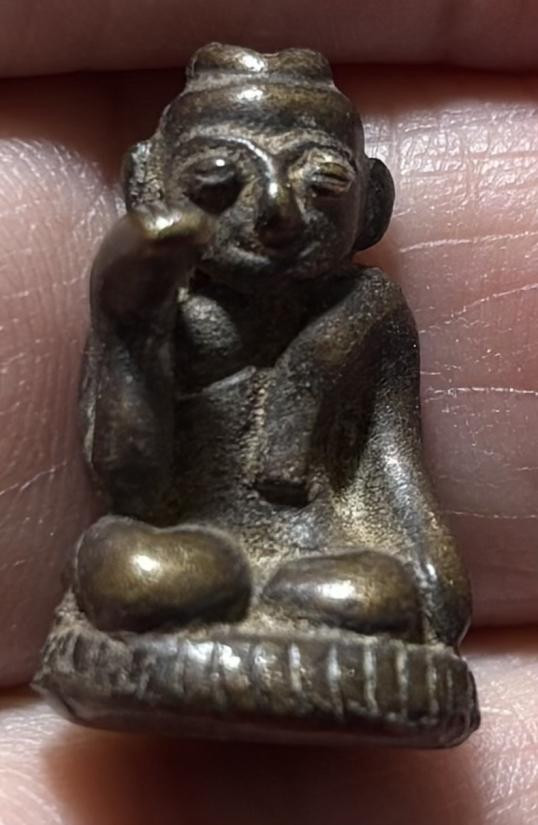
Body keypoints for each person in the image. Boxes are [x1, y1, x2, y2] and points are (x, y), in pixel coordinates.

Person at [0, 3, 537, 822]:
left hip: (321, 553)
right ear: (148, 183)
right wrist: (127, 327)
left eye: (323, 184)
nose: (278, 210)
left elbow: (392, 462)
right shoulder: (164, 305)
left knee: (374, 594)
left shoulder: (370, 313)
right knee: (131, 570)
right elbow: (130, 483)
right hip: (186, 542)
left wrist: (436, 585)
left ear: (374, 203)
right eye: (220, 180)